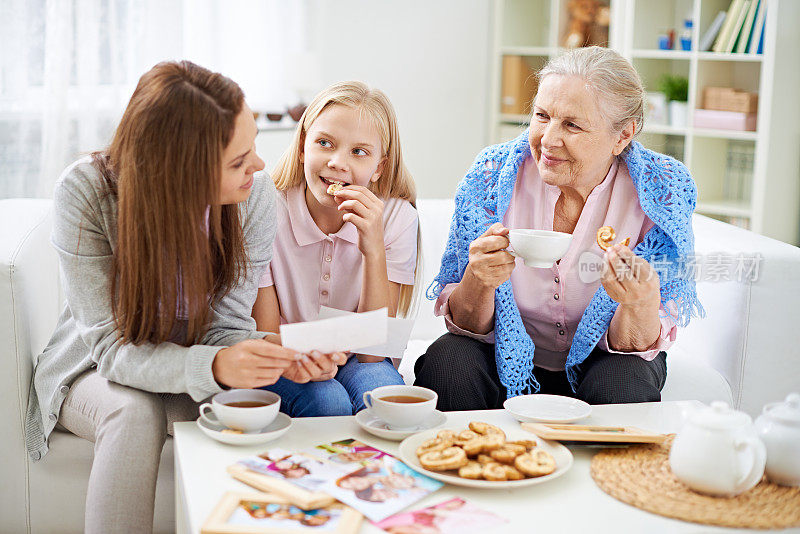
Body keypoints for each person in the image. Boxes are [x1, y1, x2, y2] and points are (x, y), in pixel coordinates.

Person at [24, 60, 344, 534]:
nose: (258, 166)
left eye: (253, 148)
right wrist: (215, 367)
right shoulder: (88, 194)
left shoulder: (254, 197)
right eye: (239, 160)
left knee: (317, 393)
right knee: (134, 412)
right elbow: (111, 350)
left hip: (195, 361)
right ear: (180, 171)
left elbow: (228, 325)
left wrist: (273, 356)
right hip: (96, 370)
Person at [414, 47, 703, 410]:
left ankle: (604, 469)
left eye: (572, 125)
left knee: (622, 381)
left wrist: (639, 301)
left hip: (609, 356)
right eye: (542, 115)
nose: (548, 139)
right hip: (503, 354)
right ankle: (466, 465)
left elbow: (637, 344)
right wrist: (479, 279)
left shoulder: (663, 191)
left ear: (622, 136)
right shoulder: (490, 178)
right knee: (449, 361)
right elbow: (466, 326)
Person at [252, 81, 420, 416]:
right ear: (303, 148)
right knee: (327, 400)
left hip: (359, 355)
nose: (337, 163)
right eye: (324, 143)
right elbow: (266, 335)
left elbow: (373, 352)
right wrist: (310, 358)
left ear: (379, 168)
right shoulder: (268, 209)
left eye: (359, 152)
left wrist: (373, 246)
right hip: (285, 355)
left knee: (385, 397)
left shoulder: (397, 218)